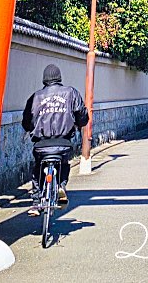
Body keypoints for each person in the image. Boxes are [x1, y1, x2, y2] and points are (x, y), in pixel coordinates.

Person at [21, 63, 89, 213]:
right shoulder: (71, 93)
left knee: (38, 168)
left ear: (44, 79)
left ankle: (37, 201)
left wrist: (30, 129)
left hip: (41, 144)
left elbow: (27, 120)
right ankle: (60, 186)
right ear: (59, 78)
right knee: (64, 163)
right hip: (63, 143)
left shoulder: (36, 96)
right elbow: (82, 115)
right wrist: (78, 124)